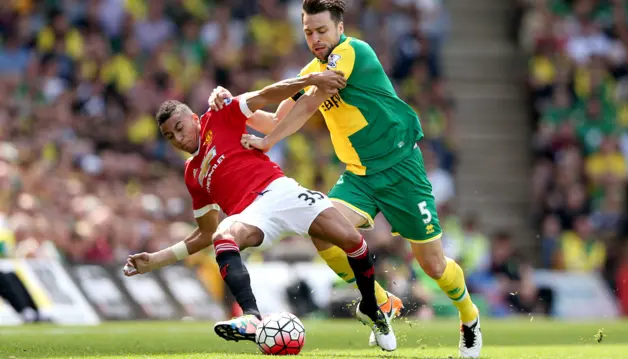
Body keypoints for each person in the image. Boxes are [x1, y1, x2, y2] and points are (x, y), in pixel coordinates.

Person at [209, 0, 482, 356]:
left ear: (339, 28)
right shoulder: (311, 70)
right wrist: (232, 106)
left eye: (322, 30)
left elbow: (307, 107)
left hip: (402, 170)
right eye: (308, 32)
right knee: (322, 232)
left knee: (433, 265)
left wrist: (267, 142)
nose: (316, 38)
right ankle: (381, 302)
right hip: (360, 177)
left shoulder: (352, 51)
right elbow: (277, 118)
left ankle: (469, 316)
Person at [122, 70, 396, 351]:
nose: (178, 138)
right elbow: (204, 234)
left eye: (180, 128)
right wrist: (156, 260)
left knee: (353, 241)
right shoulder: (192, 174)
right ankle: (251, 318)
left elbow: (266, 95)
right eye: (170, 136)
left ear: (194, 118)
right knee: (222, 236)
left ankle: (373, 310)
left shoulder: (220, 114)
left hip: (280, 190)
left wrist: (310, 80)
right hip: (251, 215)